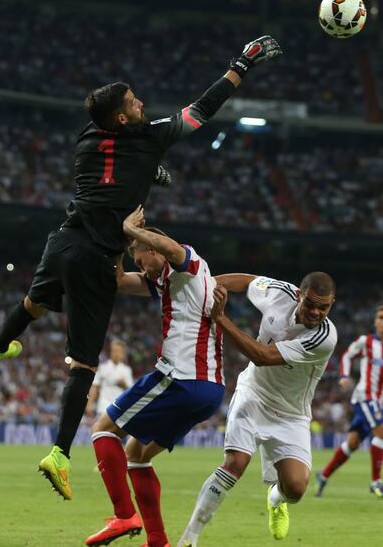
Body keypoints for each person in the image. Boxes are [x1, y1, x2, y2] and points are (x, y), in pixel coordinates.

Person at [0, 35, 282, 500]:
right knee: (82, 363)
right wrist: (242, 63)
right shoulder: (147, 139)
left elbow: (116, 170)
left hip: (60, 241)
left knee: (35, 303)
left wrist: (149, 174)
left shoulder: (87, 140)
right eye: (134, 102)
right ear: (123, 118)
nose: (142, 104)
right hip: (96, 260)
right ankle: (59, 454)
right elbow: (201, 110)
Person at [85, 205, 225, 547]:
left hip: (179, 377)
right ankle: (158, 541)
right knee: (137, 454)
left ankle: (123, 515)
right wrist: (122, 243)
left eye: (139, 258)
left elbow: (172, 249)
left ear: (153, 249)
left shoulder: (188, 263)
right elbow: (118, 281)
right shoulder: (167, 281)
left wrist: (131, 230)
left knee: (102, 429)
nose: (139, 266)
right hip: (210, 390)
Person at [178, 272, 337, 546]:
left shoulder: (324, 338)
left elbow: (262, 356)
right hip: (254, 393)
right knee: (235, 463)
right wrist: (205, 286)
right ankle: (189, 539)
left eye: (323, 307)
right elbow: (246, 281)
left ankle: (276, 497)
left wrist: (220, 318)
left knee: (296, 489)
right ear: (299, 294)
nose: (315, 311)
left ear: (331, 304)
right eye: (310, 303)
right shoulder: (279, 293)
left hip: (292, 414)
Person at [316, 304, 383, 499]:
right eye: (379, 317)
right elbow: (347, 355)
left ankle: (324, 475)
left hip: (378, 401)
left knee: (352, 443)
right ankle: (375, 482)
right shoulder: (367, 342)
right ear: (374, 321)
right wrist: (344, 375)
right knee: (381, 432)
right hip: (365, 397)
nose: (382, 321)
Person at [86, 340, 134, 419]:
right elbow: (95, 386)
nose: (116, 353)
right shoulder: (103, 367)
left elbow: (131, 391)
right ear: (110, 352)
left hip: (119, 409)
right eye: (114, 351)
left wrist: (124, 385)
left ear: (123, 354)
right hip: (103, 407)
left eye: (119, 351)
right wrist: (90, 404)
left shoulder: (127, 370)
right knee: (100, 431)